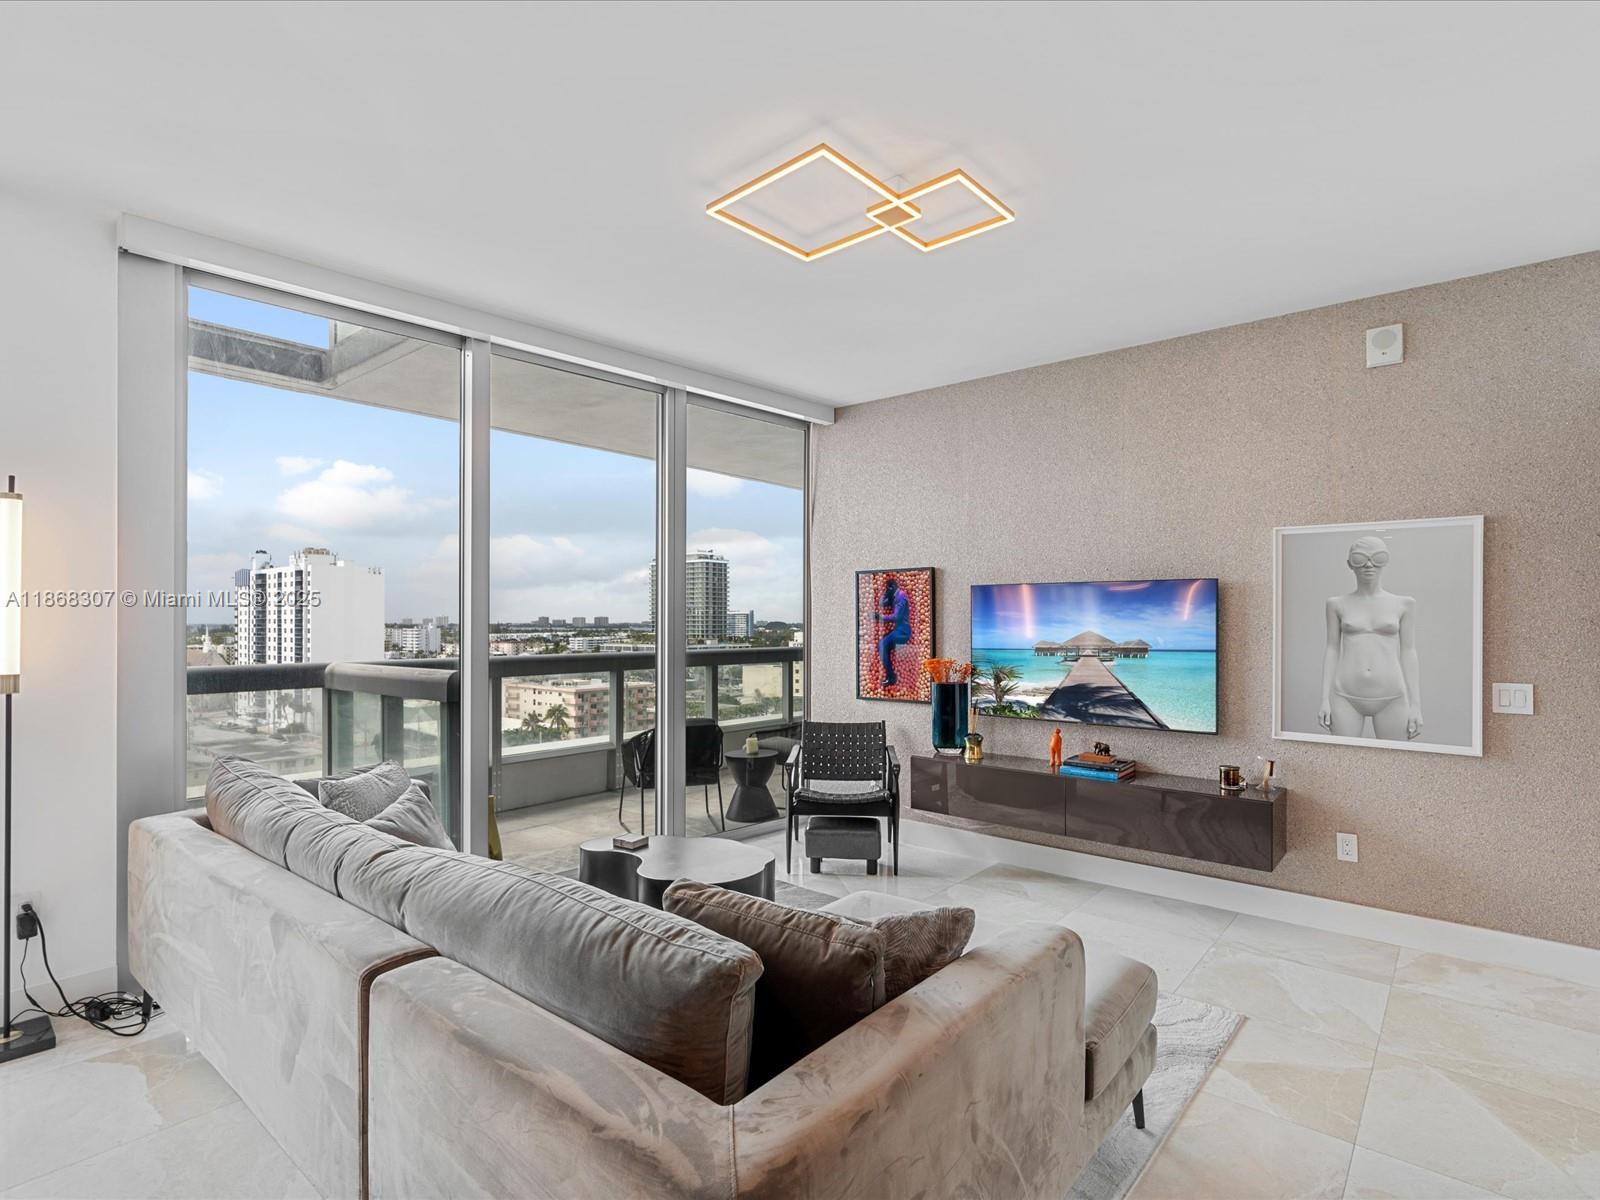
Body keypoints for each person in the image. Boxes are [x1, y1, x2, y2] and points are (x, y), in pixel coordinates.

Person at [1318, 536, 1422, 740]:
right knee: (1341, 760)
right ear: (1350, 564)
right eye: (1359, 559)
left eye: (1377, 558)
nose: (1368, 565)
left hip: (1392, 695)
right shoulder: (1336, 604)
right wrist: (1324, 699)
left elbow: (1409, 651)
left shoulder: (1404, 604)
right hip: (1344, 694)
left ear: (1386, 561)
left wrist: (1416, 705)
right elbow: (1331, 648)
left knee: (1395, 763)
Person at [876, 575, 912, 687]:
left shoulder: (901, 596)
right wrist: (887, 594)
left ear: (892, 588)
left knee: (882, 645)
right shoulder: (893, 595)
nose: (886, 591)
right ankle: (891, 675)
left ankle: (891, 677)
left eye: (887, 588)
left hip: (903, 632)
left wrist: (881, 617)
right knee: (883, 646)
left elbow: (897, 617)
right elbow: (881, 603)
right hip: (898, 631)